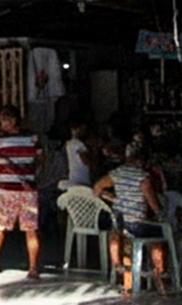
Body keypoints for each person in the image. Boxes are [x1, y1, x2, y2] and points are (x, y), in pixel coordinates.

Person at [93, 141, 169, 294]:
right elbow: (154, 206)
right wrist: (165, 218)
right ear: (141, 160)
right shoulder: (143, 178)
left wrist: (114, 198)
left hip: (121, 223)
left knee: (127, 242)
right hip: (137, 224)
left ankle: (126, 281)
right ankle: (159, 279)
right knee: (158, 238)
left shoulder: (117, 173)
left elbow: (97, 188)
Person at [0, 105, 41, 278]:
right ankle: (33, 268)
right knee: (30, 229)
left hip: (6, 189)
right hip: (28, 189)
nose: (2, 124)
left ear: (12, 120)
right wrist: (29, 173)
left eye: (4, 120)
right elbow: (40, 159)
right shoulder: (33, 138)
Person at [64, 119, 93, 188]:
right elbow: (85, 160)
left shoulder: (69, 143)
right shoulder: (79, 144)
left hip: (73, 177)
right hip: (82, 178)